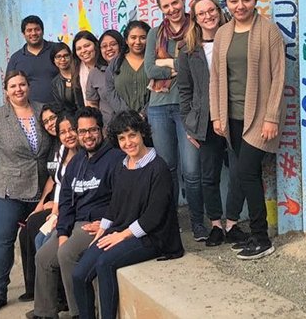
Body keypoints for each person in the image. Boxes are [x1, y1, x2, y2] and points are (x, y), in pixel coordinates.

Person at [72, 110, 184, 319]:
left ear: (142, 133)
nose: (127, 142)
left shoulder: (158, 168)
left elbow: (154, 216)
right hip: (121, 230)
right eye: (122, 138)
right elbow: (115, 206)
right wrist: (102, 233)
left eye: (132, 135)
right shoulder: (122, 166)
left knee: (105, 263)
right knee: (79, 274)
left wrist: (121, 236)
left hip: (152, 236)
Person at [209, 0, 285, 260]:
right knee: (246, 175)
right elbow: (216, 77)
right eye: (233, 1)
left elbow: (279, 76)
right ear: (226, 3)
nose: (240, 6)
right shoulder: (223, 33)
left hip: (260, 117)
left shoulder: (269, 31)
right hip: (233, 117)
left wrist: (272, 116)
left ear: (255, 0)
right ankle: (256, 234)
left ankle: (261, 238)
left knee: (247, 174)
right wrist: (217, 115)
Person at [28, 107, 123, 319]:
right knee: (43, 256)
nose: (87, 136)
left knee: (66, 253)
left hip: (97, 224)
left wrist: (108, 223)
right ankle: (45, 313)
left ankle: (79, 313)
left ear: (102, 130)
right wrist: (62, 233)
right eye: (82, 131)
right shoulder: (76, 162)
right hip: (75, 224)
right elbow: (66, 204)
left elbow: (121, 199)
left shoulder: (115, 159)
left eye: (92, 130)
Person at [0, 71, 53, 314]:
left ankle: (36, 289)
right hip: (8, 190)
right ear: (6, 90)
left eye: (22, 84)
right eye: (13, 86)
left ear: (28, 87)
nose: (18, 89)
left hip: (42, 187)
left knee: (38, 239)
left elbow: (55, 142)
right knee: (3, 243)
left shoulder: (43, 110)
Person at [178, 0, 237, 246]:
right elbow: (184, 90)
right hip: (205, 121)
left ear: (218, 11)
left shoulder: (233, 39)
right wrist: (189, 125)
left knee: (238, 171)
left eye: (211, 10)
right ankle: (215, 224)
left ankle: (233, 223)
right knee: (209, 175)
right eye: (201, 13)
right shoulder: (188, 50)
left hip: (234, 116)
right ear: (195, 18)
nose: (208, 16)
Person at [144, 0, 199, 226]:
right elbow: (149, 69)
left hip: (189, 106)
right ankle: (171, 224)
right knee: (167, 169)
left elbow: (199, 66)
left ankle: (198, 223)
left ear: (184, 0)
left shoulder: (196, 28)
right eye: (165, 6)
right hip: (158, 107)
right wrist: (180, 65)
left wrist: (166, 65)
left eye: (175, 2)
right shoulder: (155, 34)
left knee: (192, 170)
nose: (172, 9)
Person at [17, 103, 66, 303]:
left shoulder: (68, 143)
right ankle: (33, 287)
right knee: (25, 230)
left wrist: (53, 204)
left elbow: (65, 181)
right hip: (52, 198)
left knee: (35, 230)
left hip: (63, 201)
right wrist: (40, 204)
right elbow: (51, 178)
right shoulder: (52, 145)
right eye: (45, 121)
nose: (50, 124)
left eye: (52, 118)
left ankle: (52, 292)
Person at [7, 15, 59, 104]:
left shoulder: (57, 50)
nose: (34, 33)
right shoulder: (16, 58)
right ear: (23, 34)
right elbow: (8, 86)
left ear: (42, 31)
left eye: (37, 29)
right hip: (29, 111)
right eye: (29, 30)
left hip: (60, 108)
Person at [102, 20, 151, 115]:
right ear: (126, 40)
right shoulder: (115, 63)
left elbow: (158, 91)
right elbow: (110, 91)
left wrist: (144, 114)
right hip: (124, 121)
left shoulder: (154, 61)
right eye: (133, 37)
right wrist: (127, 115)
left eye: (143, 38)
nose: (138, 42)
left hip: (153, 119)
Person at [85, 30, 125, 126]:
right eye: (104, 46)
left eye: (113, 44)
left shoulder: (131, 66)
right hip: (108, 128)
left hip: (134, 124)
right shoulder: (94, 73)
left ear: (121, 45)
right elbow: (92, 104)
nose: (109, 48)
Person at [72, 31, 107, 110]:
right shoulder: (76, 70)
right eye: (79, 49)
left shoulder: (107, 65)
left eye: (87, 46)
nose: (83, 50)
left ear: (95, 45)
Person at [50, 42, 84, 113]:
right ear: (54, 60)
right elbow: (61, 107)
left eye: (66, 55)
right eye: (58, 56)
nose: (63, 59)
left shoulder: (81, 72)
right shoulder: (55, 83)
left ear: (71, 56)